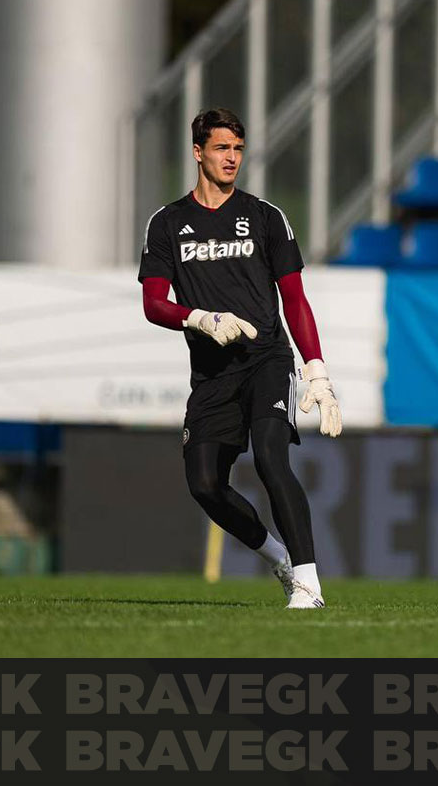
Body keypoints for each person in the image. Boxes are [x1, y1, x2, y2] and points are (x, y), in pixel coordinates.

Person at [137, 107, 342, 609]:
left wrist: (316, 370)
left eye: (238, 149)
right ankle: (279, 558)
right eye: (221, 148)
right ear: (198, 152)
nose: (232, 157)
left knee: (272, 458)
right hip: (212, 372)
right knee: (205, 484)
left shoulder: (266, 217)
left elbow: (295, 300)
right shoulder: (167, 223)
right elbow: (153, 304)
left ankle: (309, 586)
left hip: (267, 358)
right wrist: (200, 318)